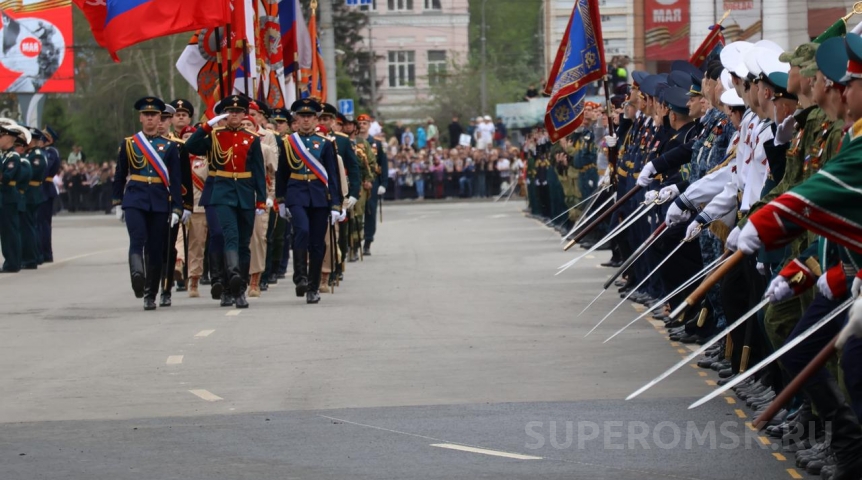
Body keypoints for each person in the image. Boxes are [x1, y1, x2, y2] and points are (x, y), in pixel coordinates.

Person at [185, 95, 267, 309]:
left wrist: (261, 200)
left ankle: (236, 288)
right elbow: (190, 147)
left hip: (246, 193)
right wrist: (207, 125)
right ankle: (235, 285)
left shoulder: (252, 138)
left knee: (243, 243)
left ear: (244, 115)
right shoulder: (214, 135)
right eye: (230, 112)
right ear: (224, 114)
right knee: (230, 236)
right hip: (222, 192)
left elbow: (259, 172)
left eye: (239, 112)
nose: (234, 115)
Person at [111, 97, 184, 310]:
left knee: (155, 248)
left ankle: (150, 294)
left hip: (160, 200)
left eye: (155, 115)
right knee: (137, 238)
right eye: (147, 115)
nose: (151, 119)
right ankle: (137, 275)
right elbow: (120, 174)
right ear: (141, 117)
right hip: (135, 198)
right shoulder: (129, 143)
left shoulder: (169, 147)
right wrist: (117, 201)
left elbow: (176, 179)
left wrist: (178, 207)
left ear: (160, 118)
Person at [275, 98, 343, 304]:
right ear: (296, 118)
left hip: (319, 197)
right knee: (302, 231)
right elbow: (282, 174)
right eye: (302, 116)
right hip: (296, 194)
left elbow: (332, 175)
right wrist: (281, 200)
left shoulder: (325, 143)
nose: (306, 120)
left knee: (317, 243)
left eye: (310, 116)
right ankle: (300, 278)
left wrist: (336, 205)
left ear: (316, 119)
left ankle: (313, 286)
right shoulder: (289, 142)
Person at [38, 125, 60, 262]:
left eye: (43, 138)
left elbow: (45, 169)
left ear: (49, 140)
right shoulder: (43, 151)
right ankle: (42, 251)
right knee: (39, 223)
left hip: (45, 188)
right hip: (41, 189)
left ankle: (46, 253)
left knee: (43, 223)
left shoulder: (51, 152)